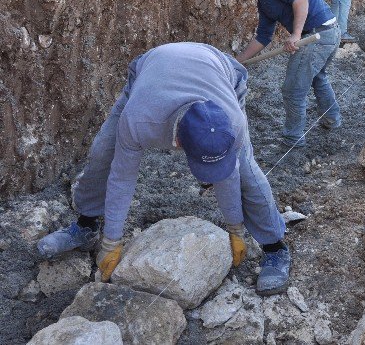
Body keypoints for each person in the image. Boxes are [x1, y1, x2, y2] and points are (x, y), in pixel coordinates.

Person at [37, 42, 290, 296]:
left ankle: (274, 247)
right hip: (150, 73)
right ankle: (86, 226)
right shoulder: (140, 120)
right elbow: (122, 177)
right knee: (104, 150)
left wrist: (235, 228)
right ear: (177, 143)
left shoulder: (230, 122)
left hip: (222, 73)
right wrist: (111, 242)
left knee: (245, 167)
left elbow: (228, 175)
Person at [228, 0, 342, 148]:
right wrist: (237, 62)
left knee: (292, 90)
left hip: (316, 35)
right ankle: (332, 120)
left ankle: (293, 140)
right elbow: (263, 37)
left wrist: (296, 34)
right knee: (318, 78)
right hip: (329, 31)